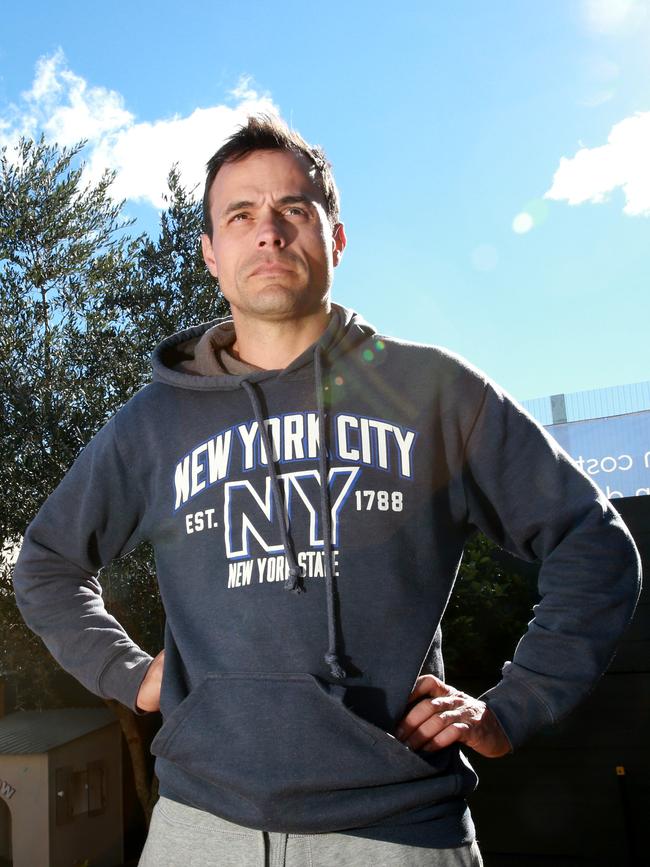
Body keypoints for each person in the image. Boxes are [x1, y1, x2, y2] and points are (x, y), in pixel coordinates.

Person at [13, 116, 641, 867]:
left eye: (294, 210)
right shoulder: (154, 423)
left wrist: (514, 705)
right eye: (240, 216)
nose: (268, 232)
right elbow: (45, 563)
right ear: (212, 255)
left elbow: (593, 544)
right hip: (198, 828)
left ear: (335, 238)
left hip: (397, 829)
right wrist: (127, 673)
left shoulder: (432, 390)